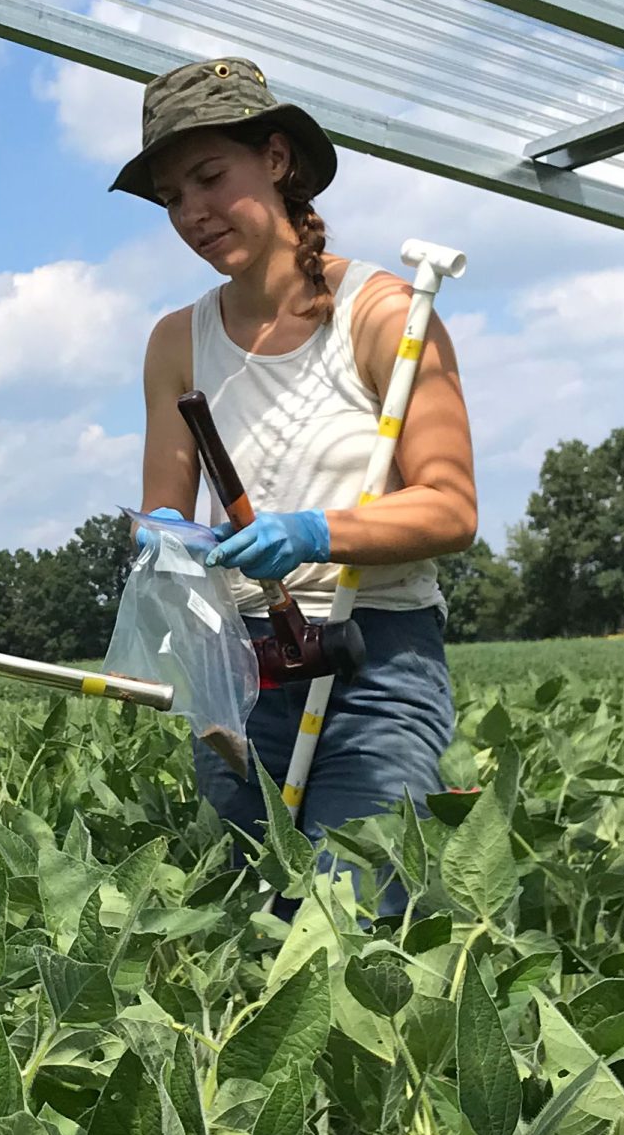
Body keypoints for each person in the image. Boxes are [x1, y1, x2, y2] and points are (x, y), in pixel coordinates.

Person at [121, 56, 477, 869]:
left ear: (276, 161)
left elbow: (450, 510)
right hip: (239, 668)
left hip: (376, 658)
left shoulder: (386, 314)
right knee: (252, 921)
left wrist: (314, 532)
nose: (192, 213)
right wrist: (167, 541)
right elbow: (162, 512)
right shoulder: (176, 341)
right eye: (171, 198)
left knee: (355, 910)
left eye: (209, 178)